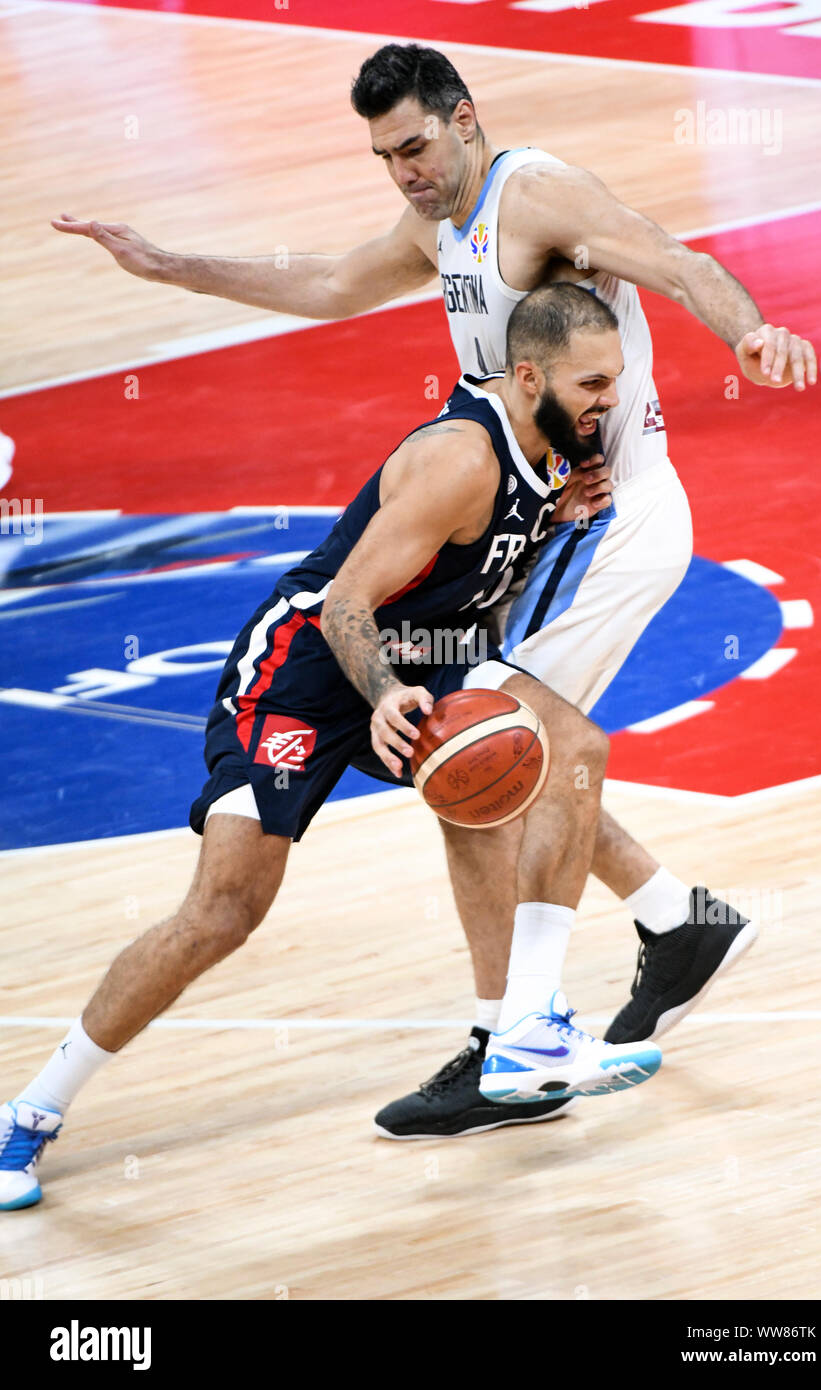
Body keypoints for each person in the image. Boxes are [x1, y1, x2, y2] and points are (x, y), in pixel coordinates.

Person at [50, 43, 815, 1138]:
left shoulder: (536, 192)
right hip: (546, 516)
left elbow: (672, 257)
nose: (404, 170)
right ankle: (671, 925)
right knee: (487, 746)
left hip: (613, 517)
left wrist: (747, 330)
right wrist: (171, 266)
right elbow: (323, 283)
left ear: (464, 118)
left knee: (518, 735)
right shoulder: (435, 224)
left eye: (414, 144)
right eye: (384, 155)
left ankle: (521, 1038)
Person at [0, 285, 667, 1211]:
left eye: (614, 380)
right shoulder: (458, 458)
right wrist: (388, 692)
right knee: (226, 909)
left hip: (419, 662)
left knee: (530, 770)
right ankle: (29, 1114)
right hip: (308, 675)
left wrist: (552, 524)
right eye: (593, 382)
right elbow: (343, 604)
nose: (610, 399)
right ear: (527, 376)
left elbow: (476, 564)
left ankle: (509, 1039)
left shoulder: (553, 449)